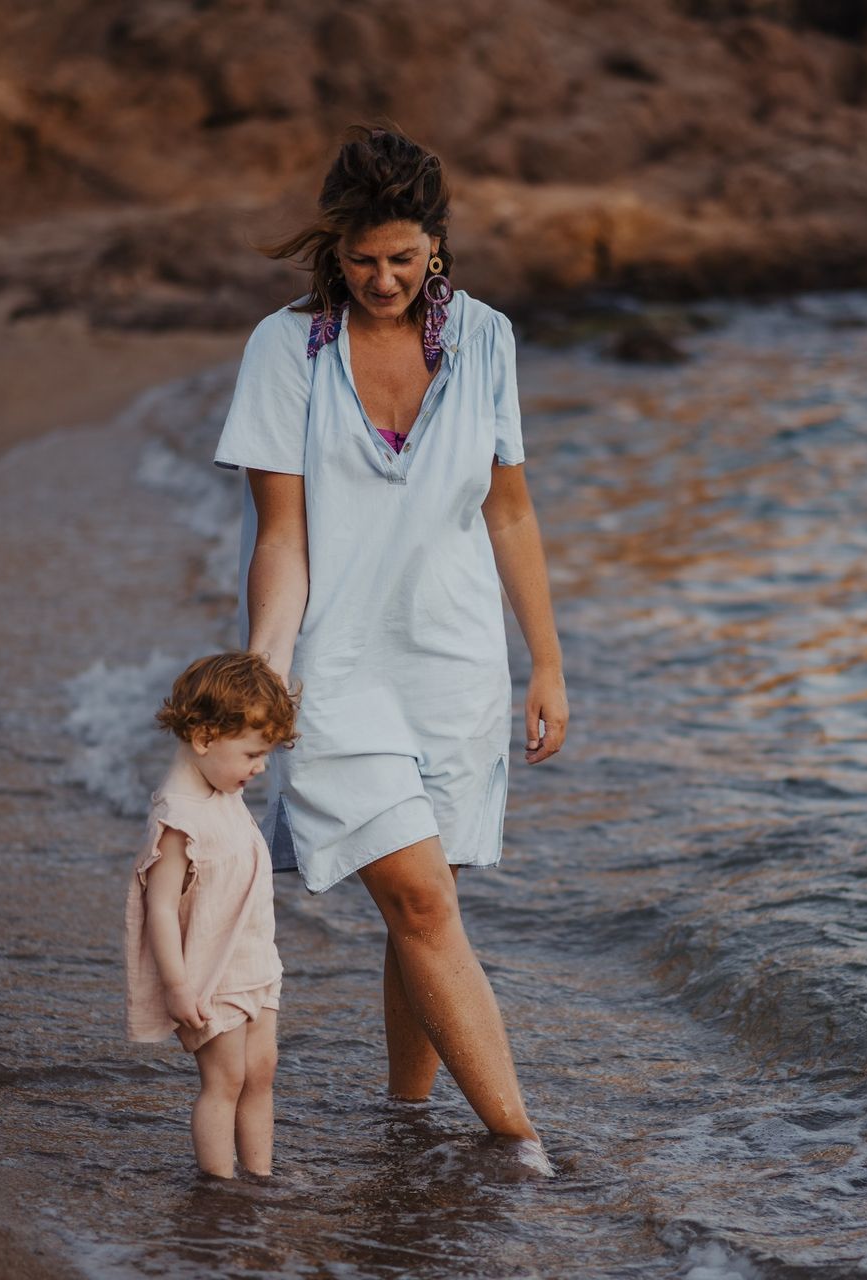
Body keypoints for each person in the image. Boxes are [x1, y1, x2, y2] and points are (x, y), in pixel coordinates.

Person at [212, 125, 566, 1173]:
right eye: (363, 259)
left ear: (436, 246)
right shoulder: (285, 350)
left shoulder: (487, 340)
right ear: (336, 246)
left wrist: (546, 661)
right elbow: (281, 537)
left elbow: (510, 510)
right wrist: (266, 667)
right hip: (336, 671)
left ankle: (406, 1122)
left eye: (403, 258)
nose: (382, 280)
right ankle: (522, 1145)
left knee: (426, 907)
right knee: (420, 901)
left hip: (455, 667)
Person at [124, 651, 298, 1179]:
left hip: (255, 963)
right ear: (204, 738)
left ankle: (260, 1176)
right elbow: (159, 908)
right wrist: (177, 987)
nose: (260, 767)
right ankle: (218, 1187)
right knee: (225, 1081)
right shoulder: (179, 817)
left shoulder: (220, 785)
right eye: (252, 753)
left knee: (261, 1073)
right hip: (211, 974)